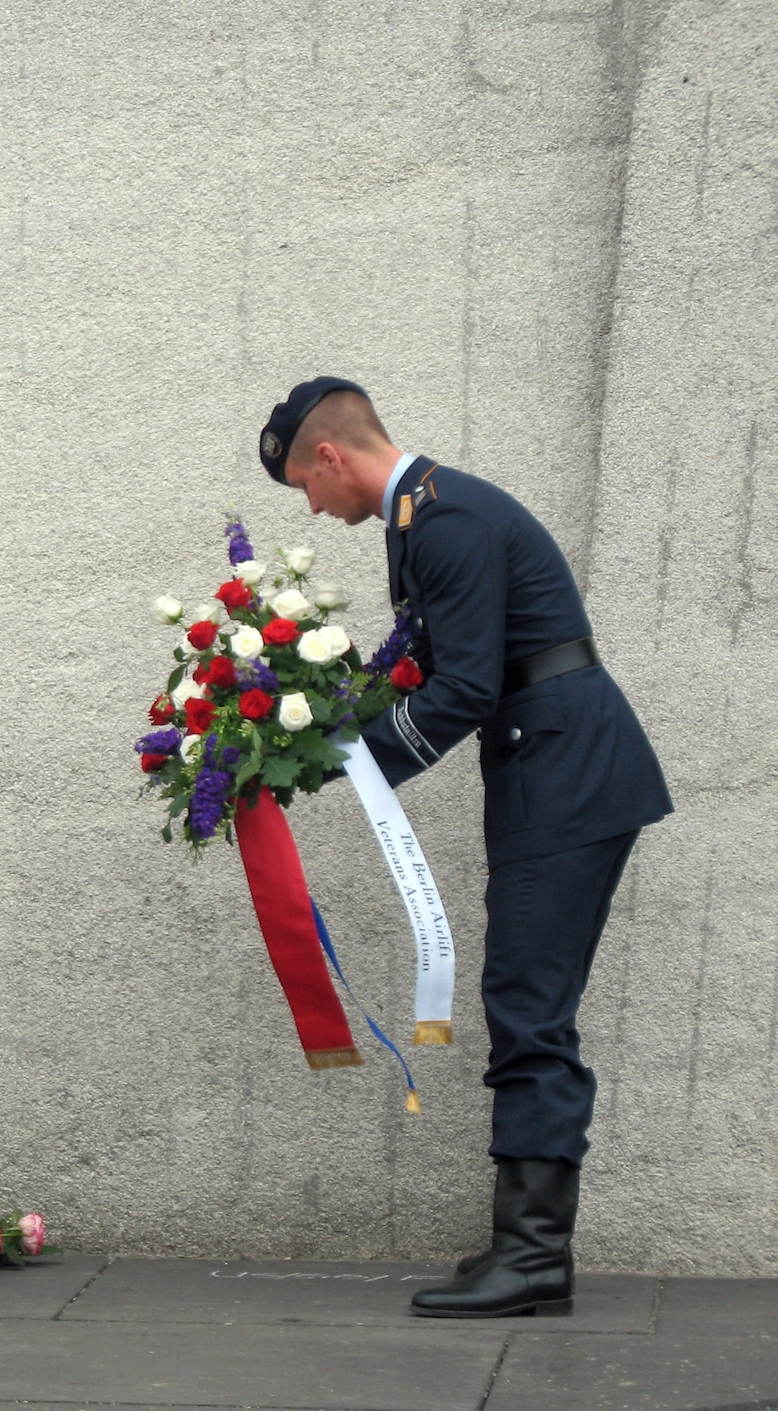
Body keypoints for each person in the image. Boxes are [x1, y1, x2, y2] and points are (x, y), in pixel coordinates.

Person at [261, 377, 671, 1318]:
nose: (314, 508)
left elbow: (465, 690)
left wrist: (344, 770)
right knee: (525, 997)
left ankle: (531, 1259)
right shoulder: (430, 515)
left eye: (305, 486)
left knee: (529, 1006)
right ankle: (531, 1254)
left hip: (565, 769)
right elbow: (432, 671)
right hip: (555, 762)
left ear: (331, 455)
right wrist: (291, 746)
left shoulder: (442, 521)